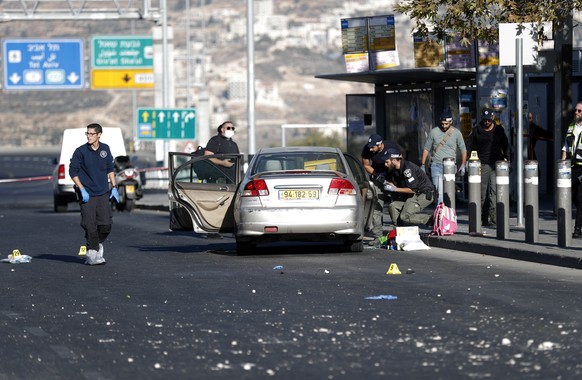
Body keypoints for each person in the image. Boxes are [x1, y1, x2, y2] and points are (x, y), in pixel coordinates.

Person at [69, 123, 120, 265]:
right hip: (88, 194)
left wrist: (114, 187)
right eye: (87, 133)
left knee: (106, 225)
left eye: (92, 134)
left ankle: (96, 244)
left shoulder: (105, 149)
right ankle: (92, 251)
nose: (89, 136)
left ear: (99, 135)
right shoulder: (80, 151)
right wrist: (82, 189)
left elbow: (110, 169)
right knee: (89, 224)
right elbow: (73, 172)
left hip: (103, 192)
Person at [466, 109, 510, 227]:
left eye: (489, 120)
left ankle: (494, 217)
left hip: (496, 165)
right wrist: (469, 160)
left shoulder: (499, 130)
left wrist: (508, 157)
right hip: (483, 164)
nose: (486, 122)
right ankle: (483, 217)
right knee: (482, 192)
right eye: (484, 120)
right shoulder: (476, 131)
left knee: (494, 191)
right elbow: (469, 145)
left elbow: (505, 144)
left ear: (493, 118)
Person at [421, 108, 467, 204]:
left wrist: (463, 164)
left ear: (451, 122)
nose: (444, 126)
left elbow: (463, 149)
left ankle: (449, 214)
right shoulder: (434, 132)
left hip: (450, 166)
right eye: (442, 123)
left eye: (446, 124)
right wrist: (422, 165)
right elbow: (426, 148)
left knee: (449, 193)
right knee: (439, 193)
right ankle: (441, 215)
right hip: (436, 165)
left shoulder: (456, 133)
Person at [382, 148, 435, 227]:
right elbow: (400, 185)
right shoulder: (395, 170)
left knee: (405, 216)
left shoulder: (407, 169)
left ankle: (434, 220)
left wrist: (395, 189)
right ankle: (400, 231)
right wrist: (389, 184)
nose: (385, 164)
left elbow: (412, 190)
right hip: (413, 196)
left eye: (387, 162)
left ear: (393, 160)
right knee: (393, 206)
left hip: (423, 195)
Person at [361, 134, 400, 240]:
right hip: (378, 177)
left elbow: (399, 162)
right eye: (369, 146)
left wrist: (395, 178)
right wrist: (377, 175)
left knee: (395, 205)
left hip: (392, 177)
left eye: (373, 147)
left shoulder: (391, 146)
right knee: (377, 205)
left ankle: (398, 232)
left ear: (380, 144)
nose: (370, 148)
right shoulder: (367, 149)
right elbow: (366, 165)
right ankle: (378, 235)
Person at [561, 101, 582, 238]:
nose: (576, 113)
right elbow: (566, 147)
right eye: (575, 110)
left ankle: (577, 229)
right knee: (573, 196)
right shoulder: (571, 127)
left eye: (579, 111)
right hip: (573, 167)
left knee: (580, 197)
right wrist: (562, 163)